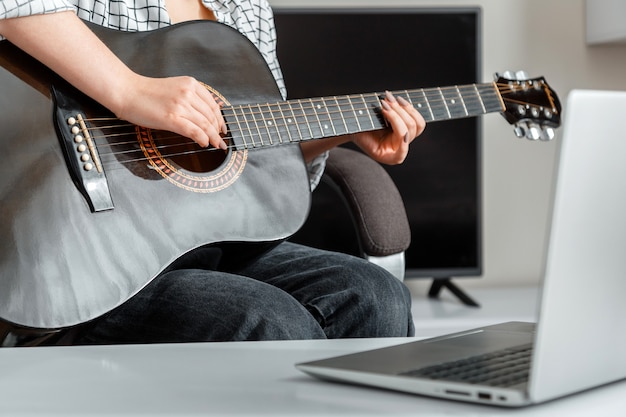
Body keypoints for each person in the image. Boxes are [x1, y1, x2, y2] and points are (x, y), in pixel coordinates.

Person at [0, 0, 426, 344]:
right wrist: (128, 89)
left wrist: (342, 131)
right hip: (81, 255)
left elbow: (255, 150)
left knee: (375, 296)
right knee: (269, 323)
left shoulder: (248, 8)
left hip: (195, 243)